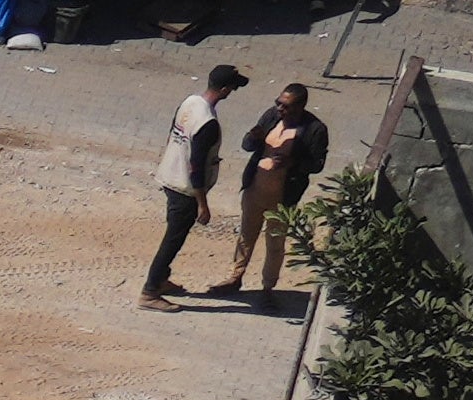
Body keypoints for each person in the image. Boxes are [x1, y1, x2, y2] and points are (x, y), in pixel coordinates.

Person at [142, 64, 248, 310]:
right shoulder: (207, 122)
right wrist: (202, 204)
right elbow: (196, 166)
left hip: (170, 176)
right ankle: (149, 292)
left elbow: (172, 134)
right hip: (185, 188)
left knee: (173, 234)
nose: (232, 92)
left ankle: (161, 280)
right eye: (232, 88)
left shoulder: (190, 102)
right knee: (173, 240)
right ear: (225, 89)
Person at [225, 79, 331, 295]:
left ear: (300, 107)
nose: (280, 109)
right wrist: (253, 137)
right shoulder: (271, 117)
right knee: (246, 236)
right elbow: (247, 146)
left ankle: (267, 288)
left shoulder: (314, 129)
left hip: (283, 197)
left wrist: (292, 163)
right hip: (255, 190)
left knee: (275, 244)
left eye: (286, 106)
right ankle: (235, 277)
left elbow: (317, 164)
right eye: (278, 103)